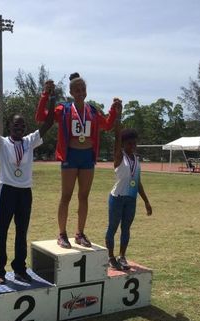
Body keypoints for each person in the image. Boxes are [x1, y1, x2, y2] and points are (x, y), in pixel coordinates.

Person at [35, 73, 122, 249]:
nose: (81, 92)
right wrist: (45, 95)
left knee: (84, 196)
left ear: (86, 91)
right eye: (77, 90)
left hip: (87, 157)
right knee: (66, 196)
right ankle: (62, 234)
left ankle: (80, 233)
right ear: (71, 92)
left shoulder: (92, 110)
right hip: (70, 156)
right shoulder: (64, 109)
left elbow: (106, 125)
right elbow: (42, 116)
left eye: (83, 89)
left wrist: (114, 109)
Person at [0, 99, 55, 284]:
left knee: (21, 233)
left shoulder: (30, 141)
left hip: (25, 192)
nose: (19, 127)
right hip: (6, 192)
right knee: (1, 233)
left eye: (22, 125)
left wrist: (49, 97)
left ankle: (19, 269)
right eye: (16, 124)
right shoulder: (2, 143)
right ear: (9, 126)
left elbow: (49, 122)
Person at [105, 124, 152, 270]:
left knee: (126, 229)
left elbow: (137, 182)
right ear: (123, 144)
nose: (132, 146)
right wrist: (118, 118)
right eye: (129, 143)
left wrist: (146, 202)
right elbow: (116, 140)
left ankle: (122, 256)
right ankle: (111, 257)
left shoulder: (137, 161)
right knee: (112, 228)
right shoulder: (119, 156)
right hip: (117, 198)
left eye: (134, 143)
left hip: (131, 200)